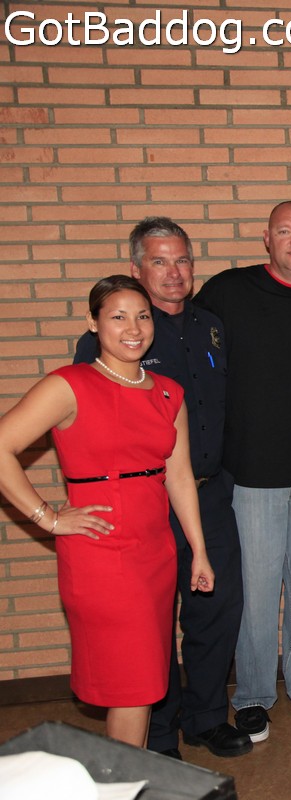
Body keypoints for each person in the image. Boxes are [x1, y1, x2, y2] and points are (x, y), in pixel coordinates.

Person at [0, 275, 214, 748]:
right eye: (118, 316)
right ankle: (123, 779)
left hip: (155, 552)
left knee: (144, 683)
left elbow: (179, 477)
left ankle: (126, 773)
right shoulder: (70, 384)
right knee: (134, 687)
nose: (133, 328)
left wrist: (198, 550)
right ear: (93, 322)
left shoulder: (168, 392)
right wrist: (48, 518)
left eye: (142, 316)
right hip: (102, 554)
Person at [73, 219, 248, 759]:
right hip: (146, 504)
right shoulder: (109, 342)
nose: (174, 273)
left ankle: (206, 718)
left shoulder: (211, 326)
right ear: (136, 269)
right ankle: (160, 733)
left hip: (208, 493)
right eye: (159, 261)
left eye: (182, 260)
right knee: (150, 624)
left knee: (216, 609)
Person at [194, 201, 291, 740]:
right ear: (266, 238)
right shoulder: (228, 291)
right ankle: (254, 695)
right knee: (256, 591)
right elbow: (179, 333)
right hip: (251, 474)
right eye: (285, 231)